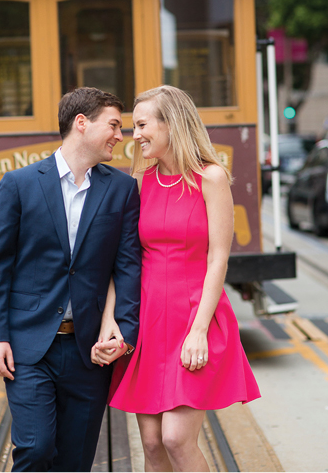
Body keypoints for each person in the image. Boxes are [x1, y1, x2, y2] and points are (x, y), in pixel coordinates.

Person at [0, 87, 143, 472]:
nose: (120, 136)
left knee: (75, 461)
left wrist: (124, 333)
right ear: (81, 123)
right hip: (28, 346)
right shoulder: (19, 184)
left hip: (89, 351)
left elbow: (128, 267)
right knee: (35, 450)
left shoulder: (121, 189)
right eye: (114, 125)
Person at [103, 85, 260, 472]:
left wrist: (199, 330)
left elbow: (218, 258)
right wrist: (114, 320)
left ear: (171, 124)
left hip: (194, 316)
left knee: (176, 438)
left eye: (142, 125)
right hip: (149, 320)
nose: (134, 135)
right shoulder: (141, 181)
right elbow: (125, 260)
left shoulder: (210, 178)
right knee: (152, 444)